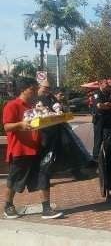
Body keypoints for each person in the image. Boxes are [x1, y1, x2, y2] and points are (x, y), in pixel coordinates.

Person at [2, 77, 63, 219]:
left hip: (37, 148)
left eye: (36, 89)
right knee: (15, 179)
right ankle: (8, 206)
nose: (36, 92)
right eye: (33, 89)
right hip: (20, 150)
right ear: (23, 90)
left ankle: (46, 208)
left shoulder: (34, 106)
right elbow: (7, 126)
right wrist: (20, 125)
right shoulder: (12, 105)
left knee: (43, 176)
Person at [92, 79, 111, 161]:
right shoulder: (96, 93)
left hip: (109, 118)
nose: (108, 84)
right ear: (100, 84)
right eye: (106, 83)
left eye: (108, 83)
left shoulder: (109, 93)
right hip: (99, 119)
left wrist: (108, 104)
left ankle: (108, 156)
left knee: (109, 137)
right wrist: (110, 105)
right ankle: (96, 158)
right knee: (98, 139)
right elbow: (99, 106)